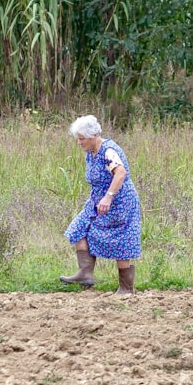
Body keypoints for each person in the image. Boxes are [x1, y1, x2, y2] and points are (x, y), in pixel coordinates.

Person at [60, 115, 142, 295]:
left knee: (122, 242)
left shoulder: (108, 151)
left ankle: (126, 288)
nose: (79, 143)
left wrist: (108, 197)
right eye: (78, 139)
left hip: (120, 202)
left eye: (82, 139)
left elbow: (120, 173)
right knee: (78, 228)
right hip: (97, 201)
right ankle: (85, 273)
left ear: (94, 135)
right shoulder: (91, 153)